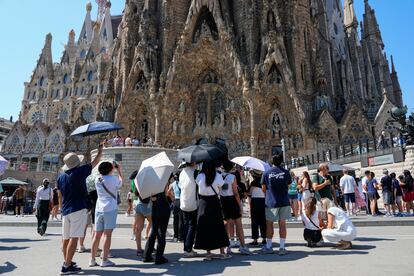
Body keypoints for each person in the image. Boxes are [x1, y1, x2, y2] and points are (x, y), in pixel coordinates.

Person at [57, 145, 103, 275]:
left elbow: (60, 194)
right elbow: (94, 163)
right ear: (77, 163)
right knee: (74, 238)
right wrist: (100, 152)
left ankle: (67, 261)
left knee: (65, 238)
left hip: (66, 210)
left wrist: (61, 207)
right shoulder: (79, 172)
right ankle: (66, 266)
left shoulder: (61, 177)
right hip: (78, 208)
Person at [194, 160, 231, 260]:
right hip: (214, 202)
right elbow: (221, 185)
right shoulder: (218, 176)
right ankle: (222, 252)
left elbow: (198, 185)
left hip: (203, 202)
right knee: (218, 226)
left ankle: (208, 253)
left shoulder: (200, 176)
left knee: (205, 227)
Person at [89, 161, 123, 267]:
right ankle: (104, 260)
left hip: (99, 208)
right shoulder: (114, 179)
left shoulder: (97, 179)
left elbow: (103, 174)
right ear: (110, 169)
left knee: (96, 235)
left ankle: (92, 259)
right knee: (107, 235)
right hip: (110, 209)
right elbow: (121, 183)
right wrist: (119, 171)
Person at [260, 153, 291, 255]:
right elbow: (288, 186)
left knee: (269, 224)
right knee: (282, 224)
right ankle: (282, 247)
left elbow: (263, 189)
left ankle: (269, 246)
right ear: (281, 161)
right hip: (284, 201)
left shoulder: (266, 173)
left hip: (271, 202)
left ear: (272, 162)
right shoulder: (286, 172)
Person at [221, 160, 251, 255]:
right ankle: (243, 246)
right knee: (238, 223)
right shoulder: (232, 177)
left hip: (223, 200)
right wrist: (240, 205)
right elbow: (235, 192)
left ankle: (227, 246)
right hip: (232, 200)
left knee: (226, 223)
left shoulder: (219, 176)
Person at [143, 182, 171, 265]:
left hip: (155, 207)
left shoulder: (151, 182)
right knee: (161, 232)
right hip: (163, 206)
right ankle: (159, 257)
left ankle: (146, 255)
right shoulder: (163, 180)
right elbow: (166, 192)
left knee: (154, 231)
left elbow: (152, 197)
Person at [178, 162, 199, 258]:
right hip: (193, 202)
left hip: (183, 202)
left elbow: (180, 186)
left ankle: (186, 247)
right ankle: (188, 249)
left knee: (186, 225)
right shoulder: (195, 172)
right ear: (193, 163)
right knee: (192, 226)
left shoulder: (182, 172)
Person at [248, 169, 266, 246]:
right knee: (263, 220)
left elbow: (249, 193)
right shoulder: (264, 182)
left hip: (255, 201)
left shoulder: (253, 183)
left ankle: (255, 239)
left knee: (254, 221)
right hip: (263, 201)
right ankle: (264, 238)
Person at [170, 173, 184, 242]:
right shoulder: (181, 183)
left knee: (175, 219)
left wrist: (172, 197)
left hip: (175, 201)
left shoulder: (173, 184)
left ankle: (175, 236)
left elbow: (168, 191)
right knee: (181, 220)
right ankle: (180, 237)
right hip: (181, 201)